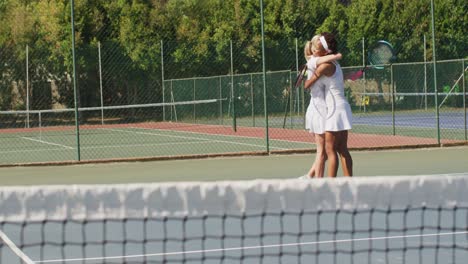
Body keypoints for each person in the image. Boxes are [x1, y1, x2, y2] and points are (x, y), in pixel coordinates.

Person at [303, 32, 353, 177]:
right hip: (342, 106)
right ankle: (349, 182)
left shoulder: (325, 66)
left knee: (330, 149)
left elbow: (307, 85)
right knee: (342, 149)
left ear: (325, 51)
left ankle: (330, 185)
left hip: (335, 110)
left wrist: (306, 76)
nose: (314, 51)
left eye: (317, 49)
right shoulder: (335, 64)